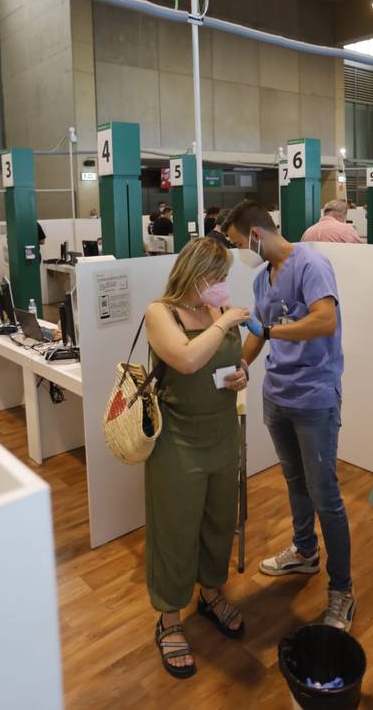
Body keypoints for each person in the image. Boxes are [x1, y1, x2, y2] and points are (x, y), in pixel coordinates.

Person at [225, 200, 355, 632]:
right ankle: (304, 551)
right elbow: (259, 333)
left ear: (255, 235)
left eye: (238, 243)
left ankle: (342, 590)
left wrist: (269, 331)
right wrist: (242, 365)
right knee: (295, 481)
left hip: (315, 397)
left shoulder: (311, 265)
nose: (239, 252)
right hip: (277, 396)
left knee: (325, 495)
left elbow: (324, 321)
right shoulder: (262, 278)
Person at [144, 238, 250, 678]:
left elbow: (228, 363)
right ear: (196, 273)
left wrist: (241, 374)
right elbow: (187, 360)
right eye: (218, 275)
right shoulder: (161, 313)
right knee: (176, 529)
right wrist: (224, 322)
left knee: (218, 521)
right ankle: (169, 617)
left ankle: (210, 592)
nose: (223, 284)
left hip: (222, 432)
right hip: (179, 441)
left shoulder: (216, 310)